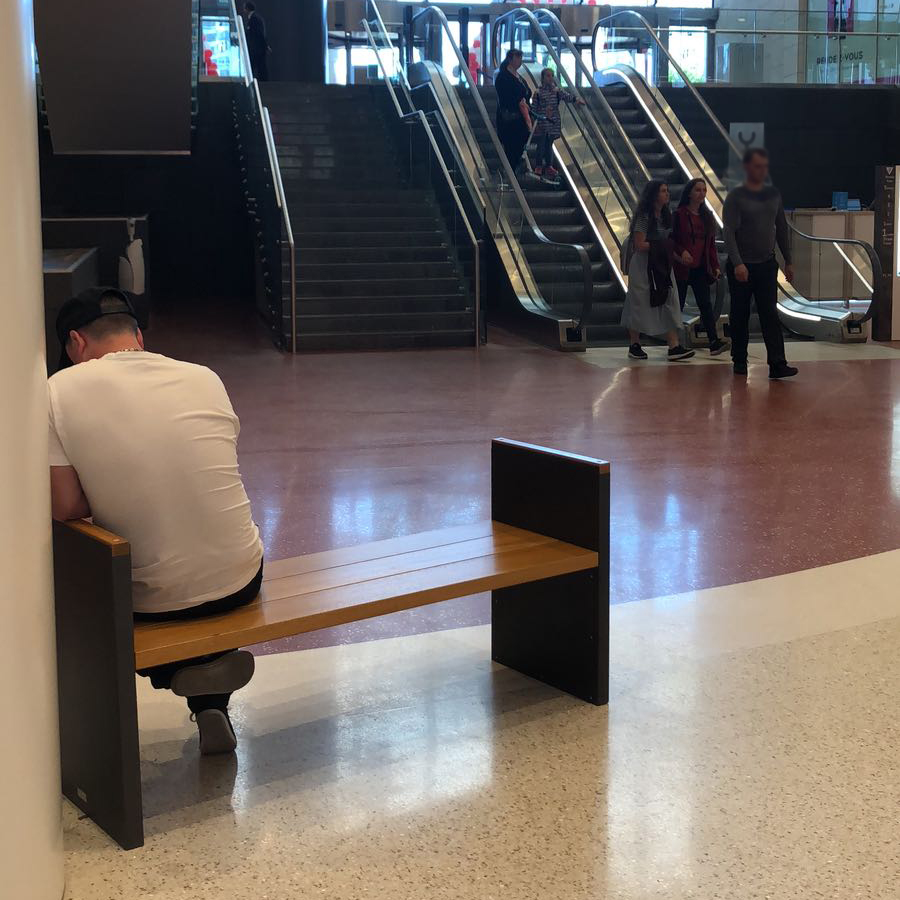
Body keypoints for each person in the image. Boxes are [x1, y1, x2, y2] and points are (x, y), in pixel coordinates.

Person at [48, 288, 264, 755]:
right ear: (138, 336)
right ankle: (210, 700)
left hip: (152, 601)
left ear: (75, 343)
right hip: (242, 577)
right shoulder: (204, 376)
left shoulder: (56, 390)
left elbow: (65, 507)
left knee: (101, 568)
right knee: (192, 549)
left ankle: (171, 671)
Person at [723, 147, 798, 379]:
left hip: (766, 264)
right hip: (742, 266)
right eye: (757, 166)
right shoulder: (736, 196)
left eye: (764, 166)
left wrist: (789, 260)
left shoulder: (773, 194)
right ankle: (739, 359)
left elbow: (781, 228)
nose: (762, 170)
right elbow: (729, 232)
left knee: (770, 315)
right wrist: (737, 263)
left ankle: (777, 363)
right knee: (740, 313)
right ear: (747, 167)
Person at [621, 180, 694, 362]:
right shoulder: (644, 217)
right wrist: (662, 246)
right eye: (663, 191)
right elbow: (639, 244)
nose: (667, 194)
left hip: (661, 264)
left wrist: (678, 257)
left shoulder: (665, 215)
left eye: (667, 190)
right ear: (653, 195)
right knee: (639, 302)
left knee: (668, 300)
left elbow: (666, 245)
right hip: (643, 266)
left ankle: (674, 345)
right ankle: (635, 344)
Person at [672, 178, 730, 357]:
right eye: (698, 190)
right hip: (681, 267)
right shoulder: (679, 215)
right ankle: (674, 344)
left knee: (705, 304)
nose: (702, 193)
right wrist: (681, 252)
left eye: (704, 190)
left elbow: (710, 244)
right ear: (689, 192)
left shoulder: (707, 216)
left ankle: (713, 341)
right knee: (678, 304)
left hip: (699, 267)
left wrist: (714, 265)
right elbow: (672, 239)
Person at [531, 68, 585, 179]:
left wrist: (576, 99)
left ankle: (549, 166)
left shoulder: (556, 91)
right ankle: (539, 165)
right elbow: (534, 108)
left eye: (552, 75)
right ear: (543, 78)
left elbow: (566, 96)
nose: (550, 78)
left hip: (553, 123)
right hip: (542, 123)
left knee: (549, 144)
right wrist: (534, 123)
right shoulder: (538, 93)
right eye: (548, 76)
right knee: (541, 145)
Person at [494, 48, 532, 177]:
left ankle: (514, 171)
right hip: (510, 119)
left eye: (521, 58)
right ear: (510, 59)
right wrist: (520, 101)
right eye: (518, 58)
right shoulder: (503, 76)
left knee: (519, 145)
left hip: (520, 117)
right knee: (512, 147)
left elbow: (527, 91)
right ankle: (511, 173)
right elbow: (506, 97)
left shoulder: (518, 76)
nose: (520, 61)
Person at [244, 1, 269, 82]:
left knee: (258, 65)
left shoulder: (254, 19)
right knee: (260, 66)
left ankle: (262, 82)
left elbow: (259, 33)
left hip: (256, 48)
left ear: (247, 9)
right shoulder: (256, 18)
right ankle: (262, 81)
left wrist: (265, 45)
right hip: (257, 47)